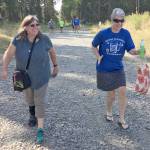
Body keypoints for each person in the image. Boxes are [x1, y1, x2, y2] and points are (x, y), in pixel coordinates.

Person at [2, 15, 58, 143]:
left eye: (37, 24)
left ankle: (40, 129)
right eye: (32, 25)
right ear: (25, 27)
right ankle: (32, 114)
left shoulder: (44, 39)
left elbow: (52, 52)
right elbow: (8, 54)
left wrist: (55, 66)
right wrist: (4, 68)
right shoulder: (18, 40)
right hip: (25, 77)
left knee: (40, 101)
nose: (36, 27)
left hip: (42, 77)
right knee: (29, 98)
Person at [92, 8, 141, 129]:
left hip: (118, 68)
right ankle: (109, 111)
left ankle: (122, 119)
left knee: (123, 91)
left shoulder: (125, 33)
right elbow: (93, 45)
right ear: (112, 19)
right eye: (116, 20)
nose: (119, 23)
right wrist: (98, 56)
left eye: (122, 20)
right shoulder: (103, 33)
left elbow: (131, 50)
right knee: (111, 95)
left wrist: (138, 51)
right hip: (105, 68)